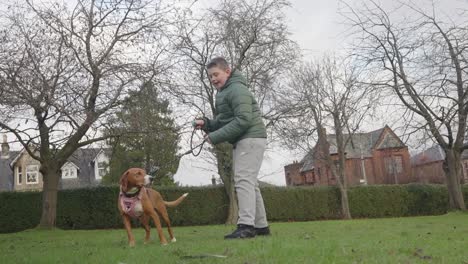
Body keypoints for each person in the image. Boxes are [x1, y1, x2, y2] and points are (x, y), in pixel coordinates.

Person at [193, 57, 270, 239]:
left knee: (243, 180)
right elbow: (224, 121)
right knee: (250, 183)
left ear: (227, 71)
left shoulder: (236, 89)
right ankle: (261, 227)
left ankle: (246, 226)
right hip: (247, 139)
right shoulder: (225, 92)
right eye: (210, 76)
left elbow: (243, 120)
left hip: (250, 138)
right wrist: (206, 123)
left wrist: (215, 136)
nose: (213, 79)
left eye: (216, 74)